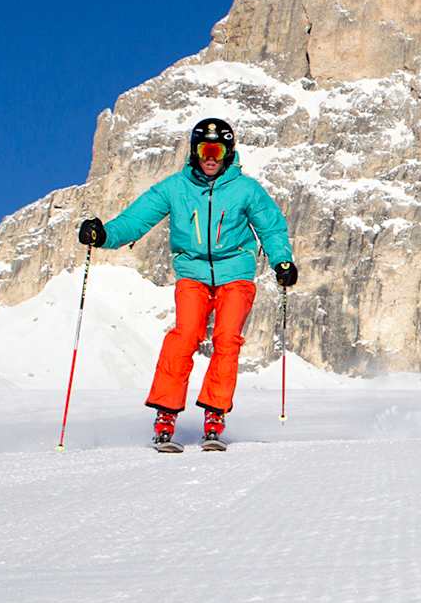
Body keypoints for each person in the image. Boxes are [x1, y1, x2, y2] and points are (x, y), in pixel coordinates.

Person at [77, 118, 297, 448]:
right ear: (194, 152)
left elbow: (271, 227)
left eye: (217, 150)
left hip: (235, 273)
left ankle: (215, 413)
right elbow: (137, 219)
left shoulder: (246, 189)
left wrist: (282, 261)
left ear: (228, 153)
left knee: (226, 339)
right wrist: (104, 234)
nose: (210, 157)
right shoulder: (175, 187)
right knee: (185, 335)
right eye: (204, 150)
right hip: (192, 274)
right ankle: (166, 412)